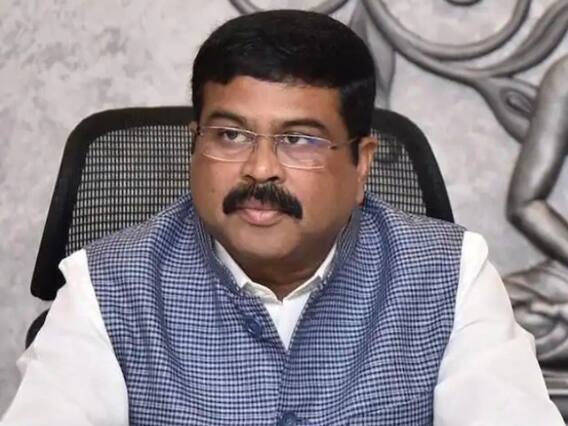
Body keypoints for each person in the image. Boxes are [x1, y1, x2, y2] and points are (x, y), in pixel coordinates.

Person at [1, 9, 564, 426]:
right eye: (230, 135)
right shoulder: (107, 285)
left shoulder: (449, 274)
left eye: (299, 140)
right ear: (194, 146)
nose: (260, 169)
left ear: (362, 163)